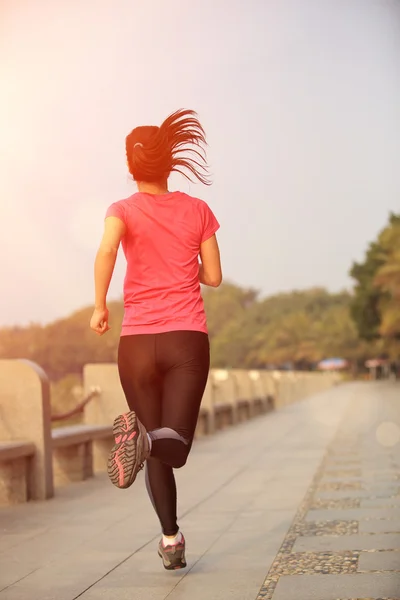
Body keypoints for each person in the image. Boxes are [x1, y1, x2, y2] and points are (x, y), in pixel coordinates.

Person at [90, 109, 222, 571]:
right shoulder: (198, 210)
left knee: (153, 441)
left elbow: (107, 249)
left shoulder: (120, 210)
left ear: (131, 166)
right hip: (186, 338)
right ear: (170, 164)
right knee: (175, 444)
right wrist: (188, 265)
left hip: (136, 343)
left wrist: (101, 305)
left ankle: (171, 540)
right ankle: (143, 444)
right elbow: (215, 277)